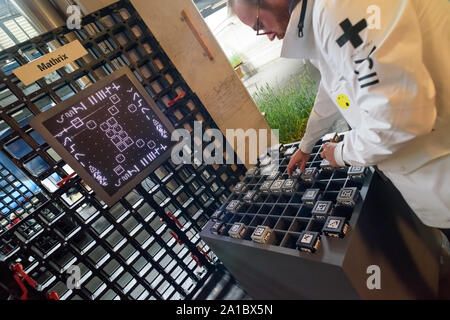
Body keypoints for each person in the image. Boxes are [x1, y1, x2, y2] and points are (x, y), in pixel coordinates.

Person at [229, 0, 450, 237]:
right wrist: (306, 145)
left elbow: (399, 118)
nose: (268, 37)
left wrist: (342, 153)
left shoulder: (335, 10)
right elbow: (334, 86)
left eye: (259, 25)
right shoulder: (321, 15)